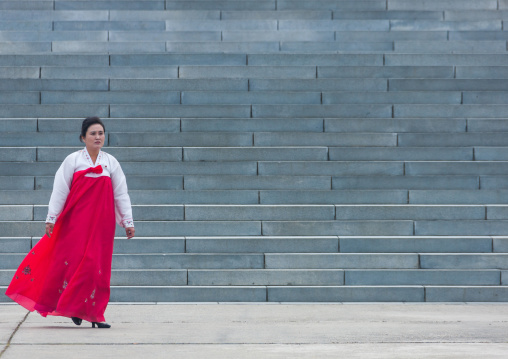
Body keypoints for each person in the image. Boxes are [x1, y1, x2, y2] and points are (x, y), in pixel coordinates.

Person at [5, 117, 135, 329]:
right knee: (73, 264)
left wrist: (127, 221)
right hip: (76, 222)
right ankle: (73, 307)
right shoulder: (73, 160)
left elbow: (121, 194)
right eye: (93, 133)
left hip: (102, 223)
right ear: (83, 137)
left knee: (96, 266)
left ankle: (94, 314)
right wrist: (52, 218)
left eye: (101, 133)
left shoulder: (111, 162)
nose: (98, 137)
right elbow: (60, 190)